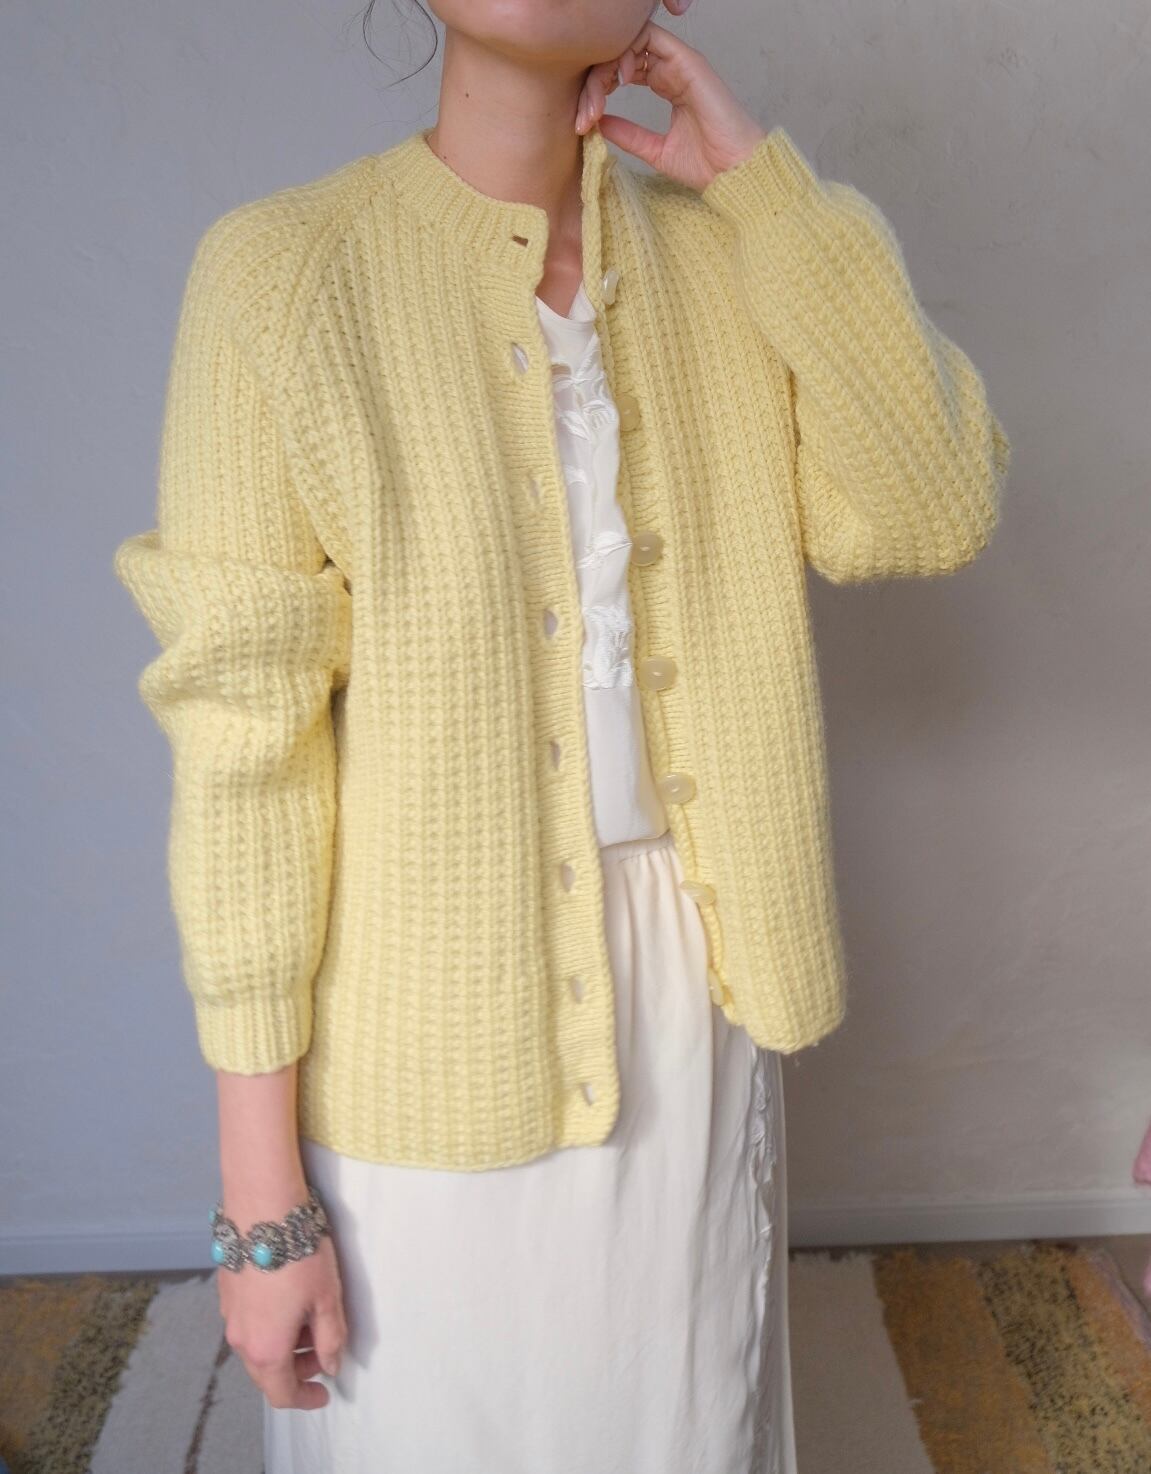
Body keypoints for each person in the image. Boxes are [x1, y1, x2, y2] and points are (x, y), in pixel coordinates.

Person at [112, 3, 1011, 1470]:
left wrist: (771, 196)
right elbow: (242, 757)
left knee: (684, 1426)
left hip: (689, 998)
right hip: (417, 1022)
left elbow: (934, 507)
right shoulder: (281, 273)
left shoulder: (734, 255)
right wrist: (261, 1199)